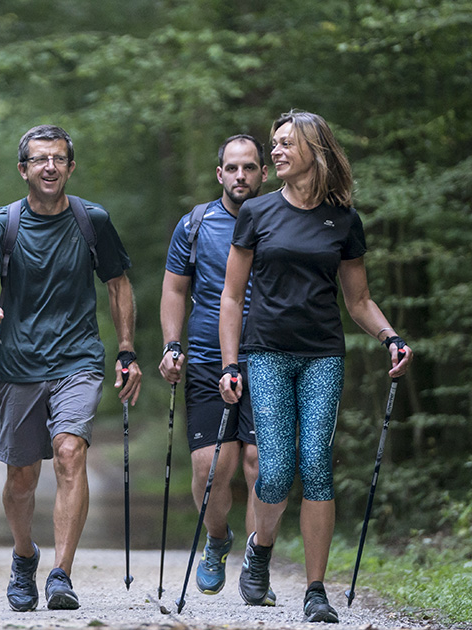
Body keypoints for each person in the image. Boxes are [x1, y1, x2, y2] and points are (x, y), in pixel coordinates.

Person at [218, 110, 413, 623]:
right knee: (277, 470)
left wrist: (390, 337)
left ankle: (315, 591)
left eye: (286, 144)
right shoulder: (257, 213)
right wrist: (230, 363)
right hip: (265, 354)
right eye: (273, 144)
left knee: (317, 469)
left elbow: (360, 300)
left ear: (314, 151)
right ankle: (260, 549)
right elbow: (232, 296)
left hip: (323, 354)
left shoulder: (344, 220)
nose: (275, 151)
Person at [0, 124, 142, 612]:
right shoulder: (1, 223)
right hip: (18, 363)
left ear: (70, 166)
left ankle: (61, 574)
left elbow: (118, 285)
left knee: (69, 452)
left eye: (59, 159)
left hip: (78, 358)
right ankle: (25, 557)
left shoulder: (93, 221)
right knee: (22, 476)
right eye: (40, 159)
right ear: (23, 169)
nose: (50, 166)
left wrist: (126, 350)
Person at [159, 134, 274, 600]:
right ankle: (218, 539)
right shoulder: (195, 223)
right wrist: (171, 344)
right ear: (220, 173)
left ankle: (255, 567)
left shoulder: (281, 221)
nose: (241, 176)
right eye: (233, 167)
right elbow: (173, 290)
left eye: (250, 167)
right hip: (208, 357)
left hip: (269, 357)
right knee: (211, 468)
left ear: (263, 173)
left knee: (259, 465)